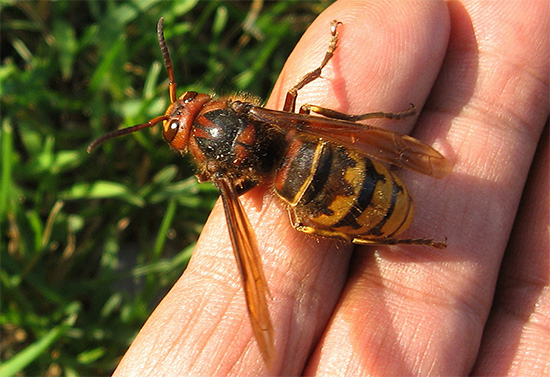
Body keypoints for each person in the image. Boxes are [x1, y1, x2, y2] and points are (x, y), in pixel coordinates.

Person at [112, 0, 549, 375]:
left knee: (302, 223)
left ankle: (392, 233)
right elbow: (296, 105)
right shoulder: (261, 116)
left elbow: (212, 176)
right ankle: (391, 205)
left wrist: (216, 176)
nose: (185, 107)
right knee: (306, 110)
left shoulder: (223, 178)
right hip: (328, 158)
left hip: (321, 189)